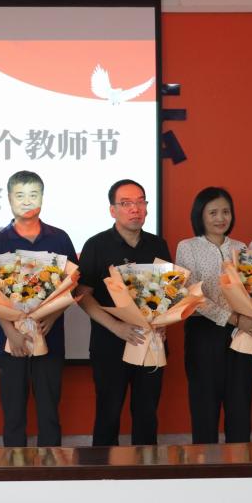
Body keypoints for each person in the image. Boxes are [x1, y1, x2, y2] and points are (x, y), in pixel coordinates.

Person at [0, 170, 77, 447]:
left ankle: (52, 467)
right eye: (20, 195)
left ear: (43, 197)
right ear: (9, 198)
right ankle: (14, 469)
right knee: (13, 415)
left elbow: (72, 286)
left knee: (50, 413)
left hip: (49, 337)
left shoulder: (59, 239)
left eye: (33, 194)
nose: (27, 201)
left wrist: (53, 315)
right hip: (11, 342)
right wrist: (10, 332)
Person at [76, 179, 171, 446]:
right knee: (108, 416)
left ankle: (146, 467)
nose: (135, 209)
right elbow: (82, 295)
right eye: (126, 203)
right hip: (110, 344)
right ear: (113, 210)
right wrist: (116, 326)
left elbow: (168, 291)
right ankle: (103, 469)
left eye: (140, 202)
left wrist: (163, 322)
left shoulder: (158, 245)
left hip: (150, 342)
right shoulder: (96, 245)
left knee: (147, 416)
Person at [176, 187, 252, 444]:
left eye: (226, 212)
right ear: (200, 215)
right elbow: (193, 296)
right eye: (213, 212)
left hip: (241, 333)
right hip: (203, 333)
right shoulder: (187, 247)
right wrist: (234, 318)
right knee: (204, 407)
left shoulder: (241, 248)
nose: (221, 218)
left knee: (240, 405)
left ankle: (239, 462)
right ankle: (204, 462)